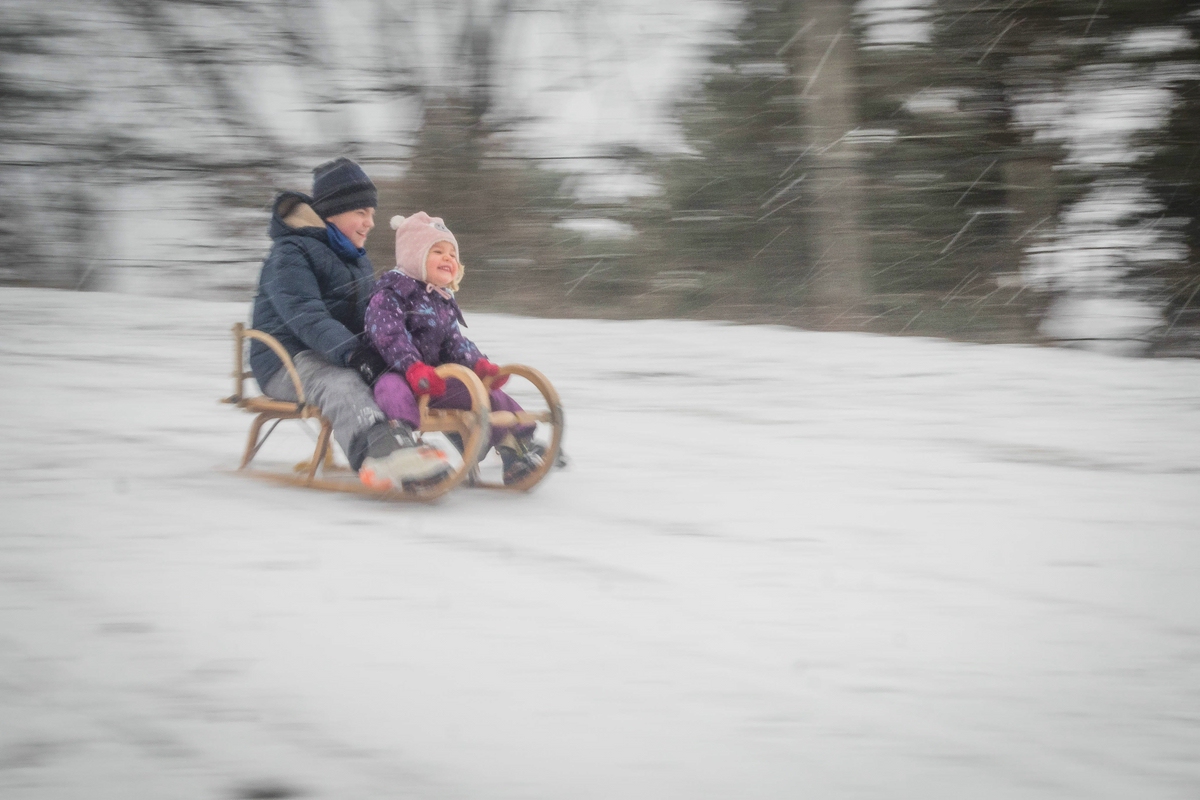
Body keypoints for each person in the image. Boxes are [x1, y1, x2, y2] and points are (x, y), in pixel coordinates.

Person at [249, 157, 451, 490]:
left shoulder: (354, 258)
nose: (370, 222)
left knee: (395, 373)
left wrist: (398, 341)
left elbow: (368, 317)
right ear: (332, 212)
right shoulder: (291, 253)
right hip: (284, 359)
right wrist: (354, 354)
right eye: (361, 213)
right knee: (340, 383)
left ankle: (422, 439)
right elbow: (306, 316)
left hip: (332, 354)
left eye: (371, 213)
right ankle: (379, 451)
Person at [353, 212, 544, 487]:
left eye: (452, 254)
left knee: (482, 392)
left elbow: (453, 341)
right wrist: (411, 366)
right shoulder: (390, 293)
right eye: (438, 251)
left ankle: (514, 443)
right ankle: (402, 445)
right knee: (391, 391)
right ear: (413, 256)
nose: (448, 258)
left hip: (432, 377)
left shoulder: (441, 299)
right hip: (391, 369)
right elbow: (388, 336)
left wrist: (477, 364)